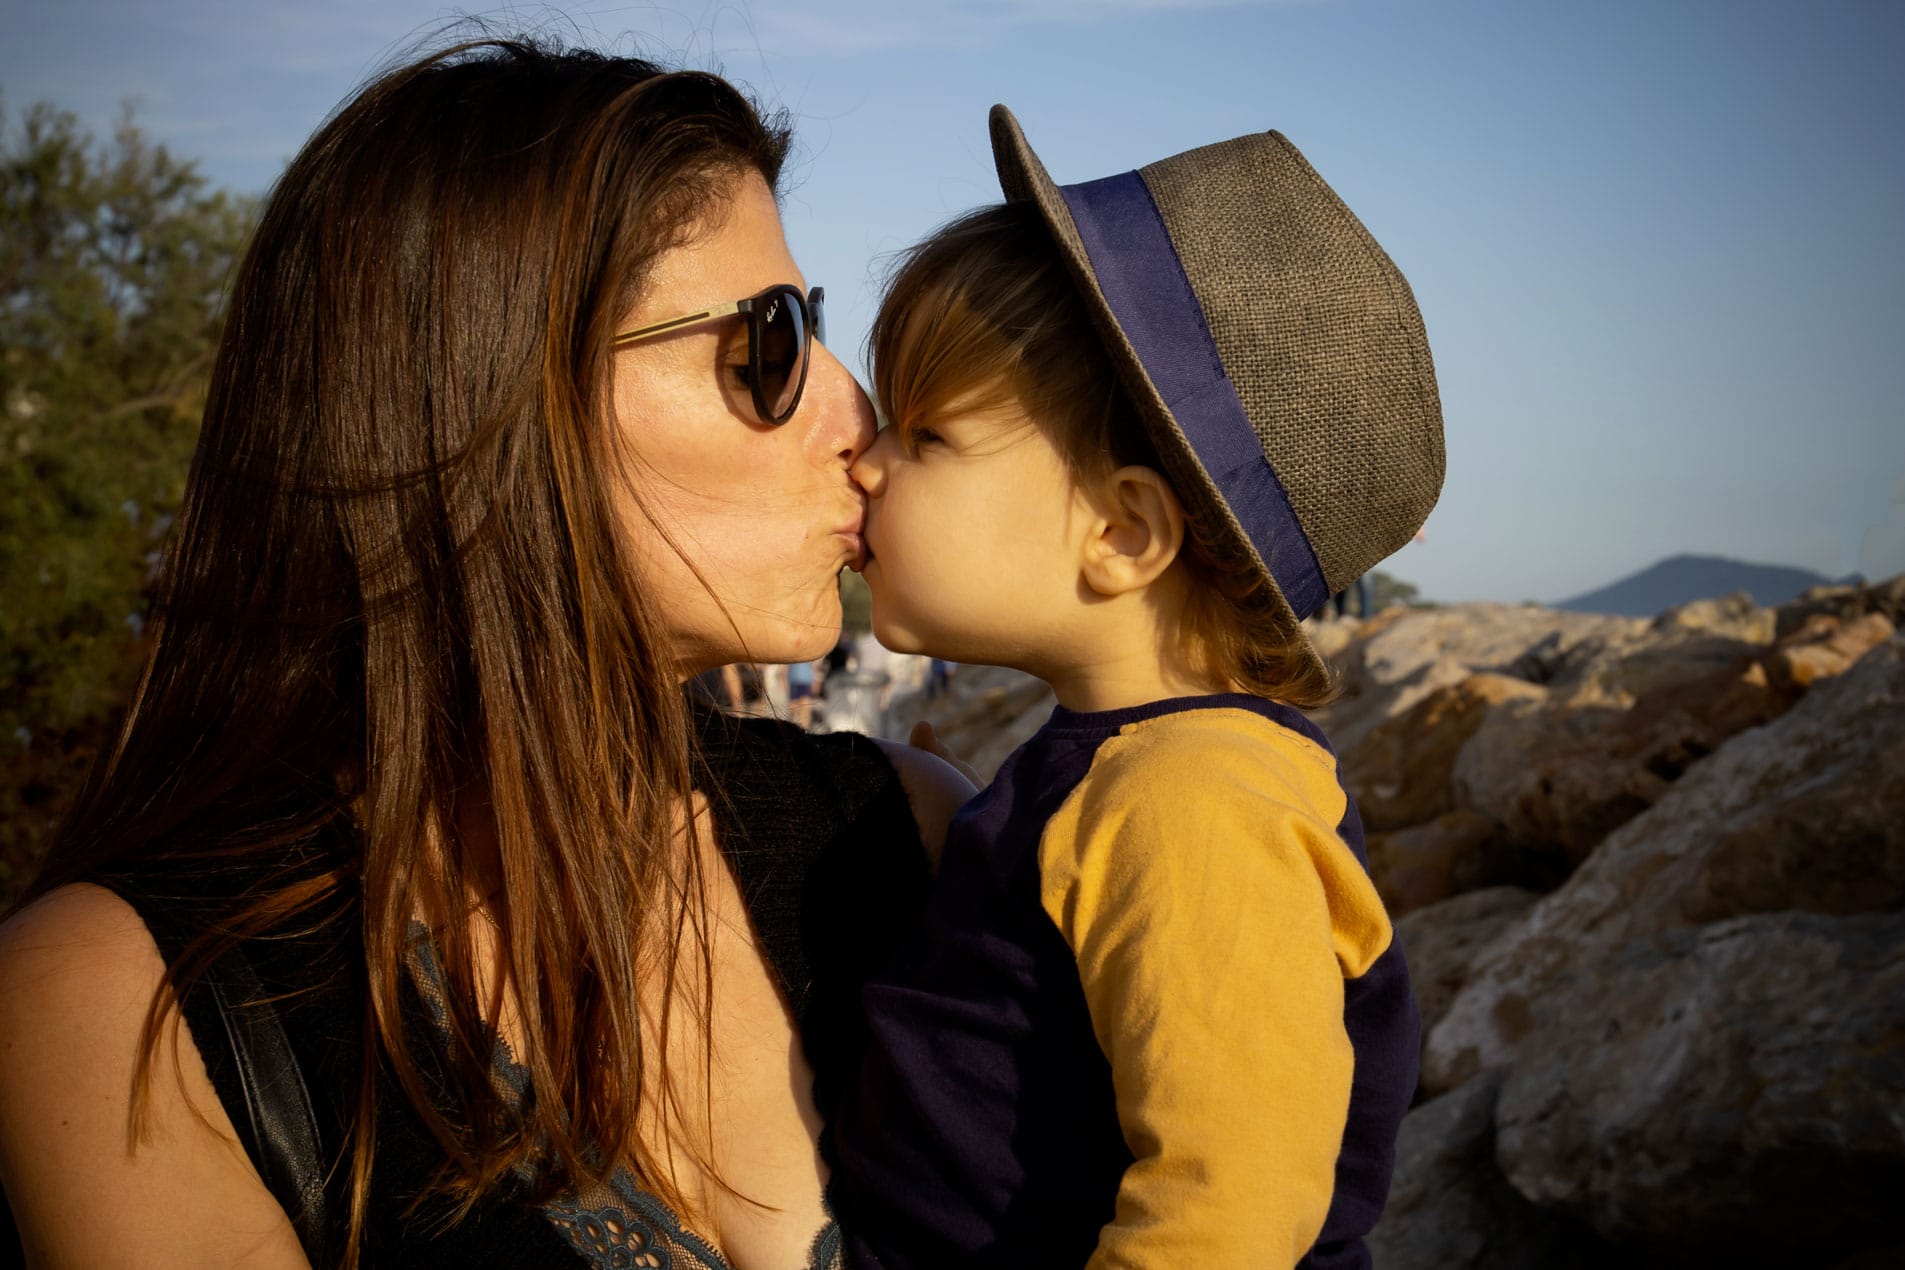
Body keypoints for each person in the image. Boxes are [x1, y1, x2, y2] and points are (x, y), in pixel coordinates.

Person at [0, 40, 970, 1269]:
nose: (858, 416)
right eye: (770, 343)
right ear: (495, 392)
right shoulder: (134, 1008)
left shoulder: (912, 842)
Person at [827, 107, 1440, 1266]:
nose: (865, 459)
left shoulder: (1196, 805)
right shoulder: (1123, 766)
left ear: (1121, 529)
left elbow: (1230, 1206)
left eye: (927, 433)